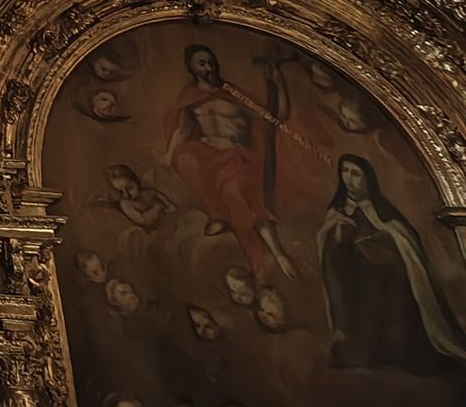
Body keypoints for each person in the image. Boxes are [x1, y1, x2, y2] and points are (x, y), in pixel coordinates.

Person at [318, 153, 466, 373]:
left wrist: (376, 240)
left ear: (367, 179)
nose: (349, 178)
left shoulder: (383, 212)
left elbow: (406, 245)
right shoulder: (336, 213)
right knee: (350, 355)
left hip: (390, 288)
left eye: (355, 174)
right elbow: (330, 256)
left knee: (402, 347)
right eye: (345, 171)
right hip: (357, 289)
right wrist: (338, 236)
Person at [162, 44, 297, 278]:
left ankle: (264, 255)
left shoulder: (233, 94)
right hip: (209, 156)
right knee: (184, 158)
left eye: (211, 62)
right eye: (202, 63)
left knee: (233, 191)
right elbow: (183, 129)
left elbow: (277, 116)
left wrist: (278, 83)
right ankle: (219, 214)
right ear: (191, 68)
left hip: (237, 157)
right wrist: (168, 153)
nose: (209, 67)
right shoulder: (191, 98)